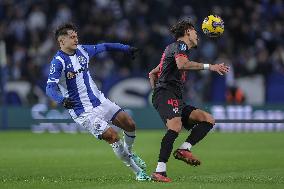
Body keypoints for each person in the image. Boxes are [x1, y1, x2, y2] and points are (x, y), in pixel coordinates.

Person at [45, 23, 150, 181]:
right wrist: (61, 100)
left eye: (76, 36)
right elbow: (50, 87)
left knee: (130, 124)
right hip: (83, 111)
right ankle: (138, 173)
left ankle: (129, 152)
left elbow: (105, 46)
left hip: (99, 100)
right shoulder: (58, 62)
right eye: (72, 37)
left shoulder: (83, 50)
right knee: (113, 137)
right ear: (62, 41)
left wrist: (126, 48)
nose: (76, 39)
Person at [148, 19, 230, 182]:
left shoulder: (172, 49)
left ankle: (184, 149)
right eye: (195, 32)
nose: (197, 36)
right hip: (166, 94)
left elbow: (152, 73)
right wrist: (211, 67)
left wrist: (156, 91)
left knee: (207, 119)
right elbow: (182, 64)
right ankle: (159, 171)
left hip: (173, 97)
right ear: (187, 32)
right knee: (175, 127)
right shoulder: (180, 46)